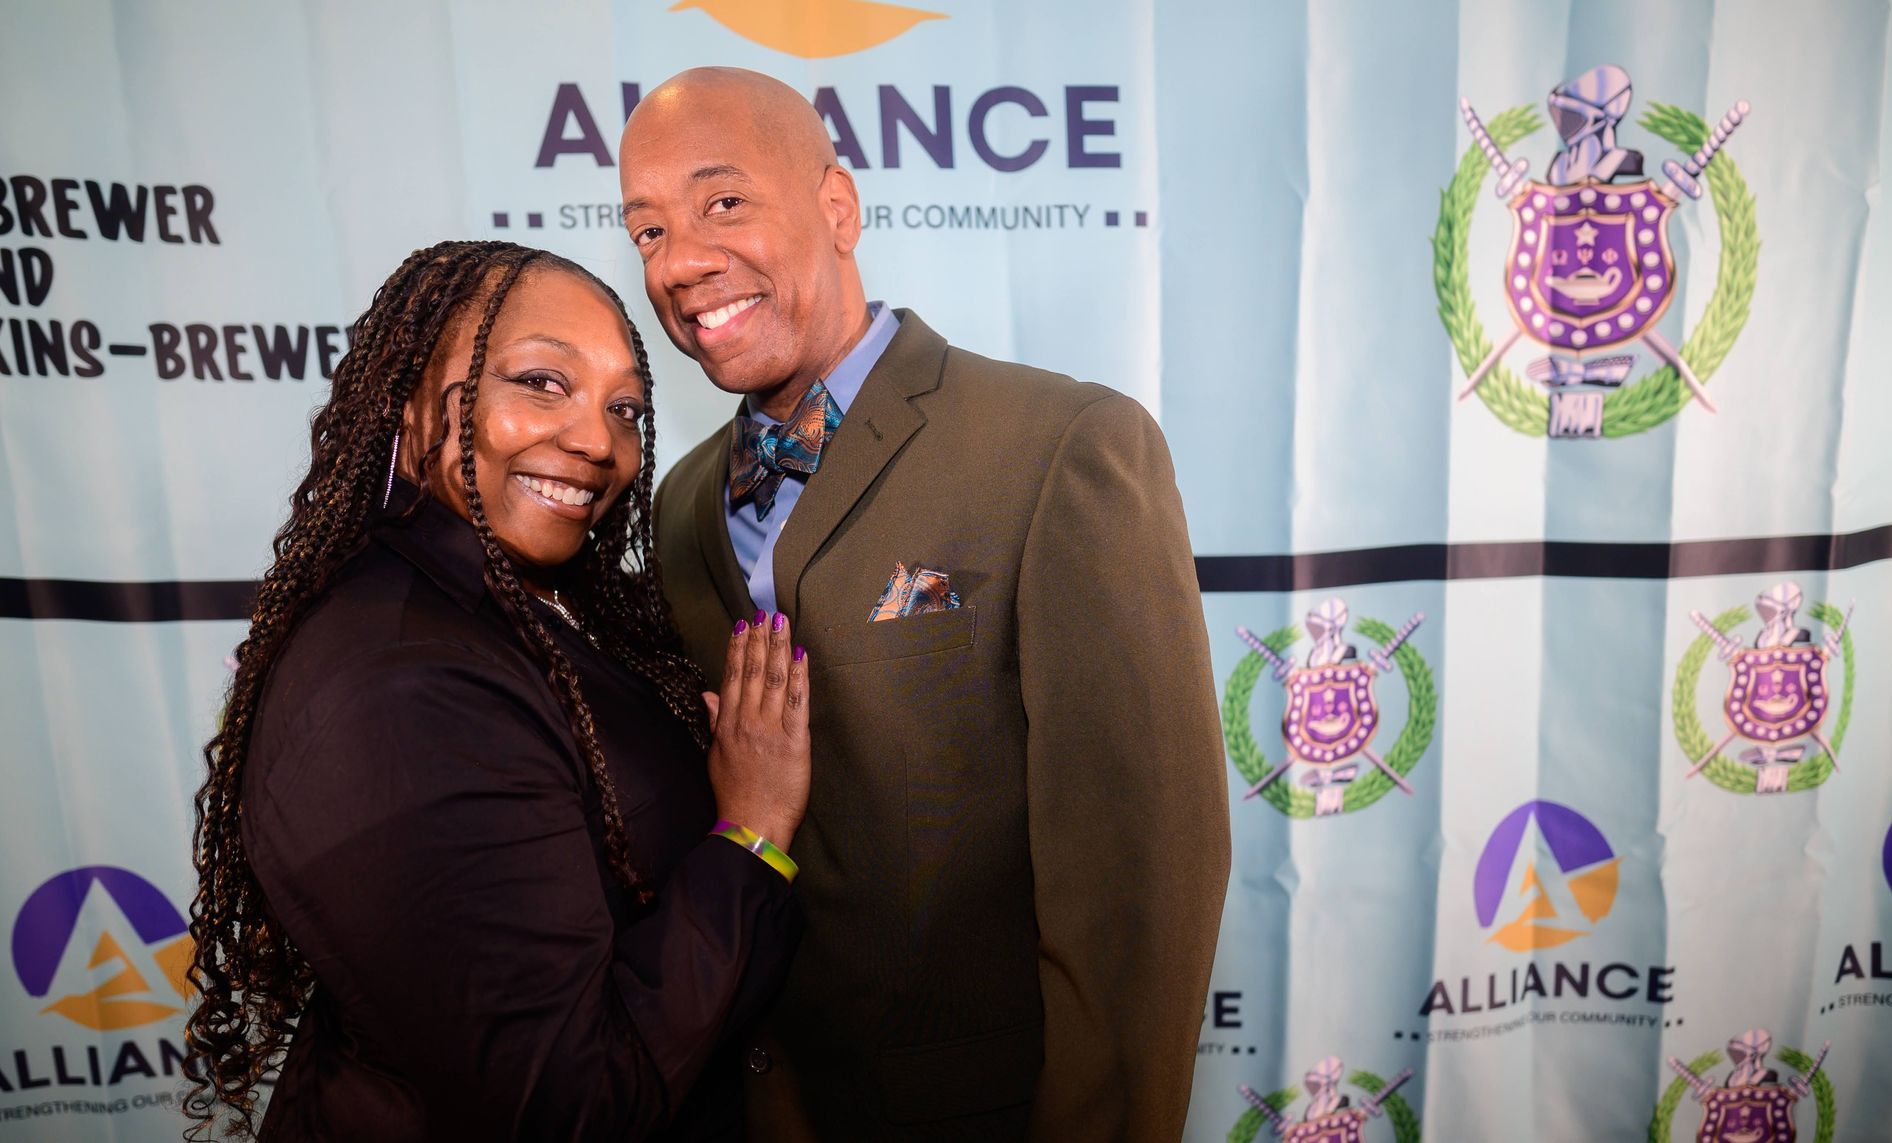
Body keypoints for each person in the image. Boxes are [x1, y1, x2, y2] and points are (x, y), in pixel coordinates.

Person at [620, 68, 1232, 1141]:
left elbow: (1140, 894)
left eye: (724, 204)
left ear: (838, 207)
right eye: (648, 231)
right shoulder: (676, 506)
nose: (681, 262)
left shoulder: (1059, 446)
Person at [184, 240, 811, 1141]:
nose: (599, 440)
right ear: (407, 400)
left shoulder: (511, 608)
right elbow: (572, 1103)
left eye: (624, 406)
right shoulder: (399, 686)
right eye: (541, 382)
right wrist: (750, 834)